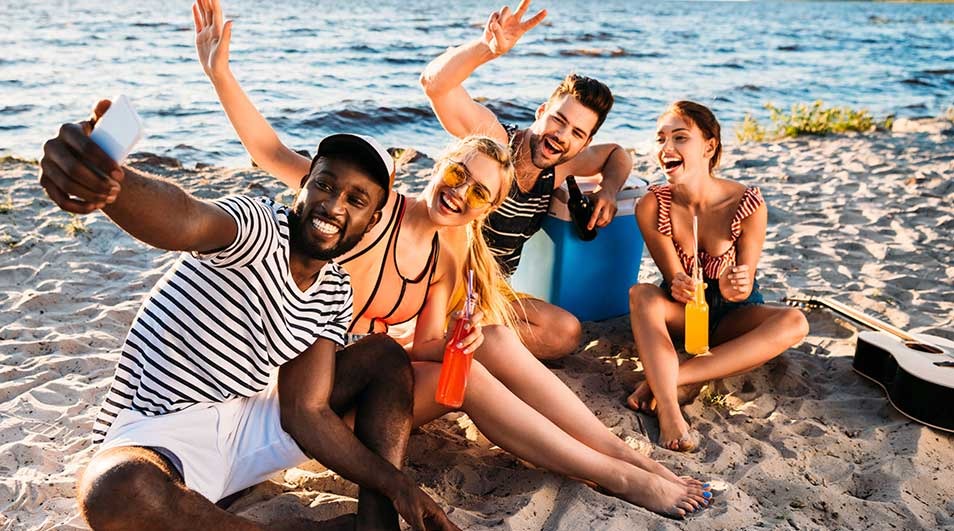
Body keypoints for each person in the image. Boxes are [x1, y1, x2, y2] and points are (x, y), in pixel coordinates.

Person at [191, 0, 712, 518]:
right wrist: (219, 76)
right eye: (457, 175)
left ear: (491, 205)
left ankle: (621, 454)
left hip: (374, 393)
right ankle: (618, 475)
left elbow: (427, 345)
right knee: (472, 378)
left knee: (487, 348)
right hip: (304, 406)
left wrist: (465, 342)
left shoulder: (455, 246)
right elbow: (271, 153)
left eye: (480, 194)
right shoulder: (369, 208)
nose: (461, 195)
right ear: (441, 163)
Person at [38, 102, 459, 531]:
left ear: (370, 223)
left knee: (384, 356)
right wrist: (114, 185)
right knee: (114, 489)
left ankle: (376, 525)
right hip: (161, 433)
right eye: (325, 185)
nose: (333, 205)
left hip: (248, 428)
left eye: (356, 200)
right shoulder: (258, 227)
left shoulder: (335, 292)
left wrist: (397, 486)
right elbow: (185, 218)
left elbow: (306, 412)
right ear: (303, 187)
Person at [419, 0, 634, 360]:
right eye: (558, 121)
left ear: (584, 142)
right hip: (440, 279)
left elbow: (617, 155)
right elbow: (435, 85)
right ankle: (441, 342)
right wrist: (486, 49)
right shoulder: (493, 143)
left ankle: (462, 344)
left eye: (576, 133)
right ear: (540, 113)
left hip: (489, 291)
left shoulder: (561, 166)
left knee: (565, 333)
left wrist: (608, 190)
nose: (561, 136)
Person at [627, 101, 810, 452]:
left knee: (795, 322)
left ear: (709, 146)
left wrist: (734, 284)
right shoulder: (652, 205)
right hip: (684, 316)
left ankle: (669, 378)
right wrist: (679, 281)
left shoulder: (747, 204)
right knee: (641, 294)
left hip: (732, 317)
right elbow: (673, 278)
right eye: (661, 139)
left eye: (680, 138)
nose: (667, 148)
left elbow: (744, 282)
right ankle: (669, 410)